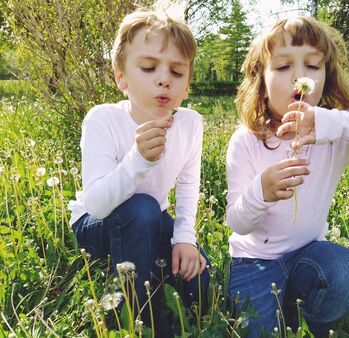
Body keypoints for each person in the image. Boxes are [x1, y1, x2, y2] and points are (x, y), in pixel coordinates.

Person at [226, 16, 349, 337]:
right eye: (282, 67)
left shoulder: (332, 136)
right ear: (260, 80)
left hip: (308, 254)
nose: (299, 76)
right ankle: (289, 310)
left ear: (327, 77)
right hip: (255, 262)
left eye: (313, 66)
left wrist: (334, 123)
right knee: (259, 333)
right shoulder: (246, 140)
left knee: (348, 277)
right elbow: (238, 222)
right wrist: (260, 192)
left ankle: (311, 318)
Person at [68, 4, 209, 334]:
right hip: (96, 224)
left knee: (199, 281)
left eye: (176, 72)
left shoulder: (190, 124)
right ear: (121, 77)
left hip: (151, 221)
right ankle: (138, 317)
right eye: (148, 68)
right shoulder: (103, 119)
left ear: (187, 85)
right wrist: (138, 160)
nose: (163, 80)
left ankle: (154, 274)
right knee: (143, 209)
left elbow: (189, 183)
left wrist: (185, 238)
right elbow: (98, 203)